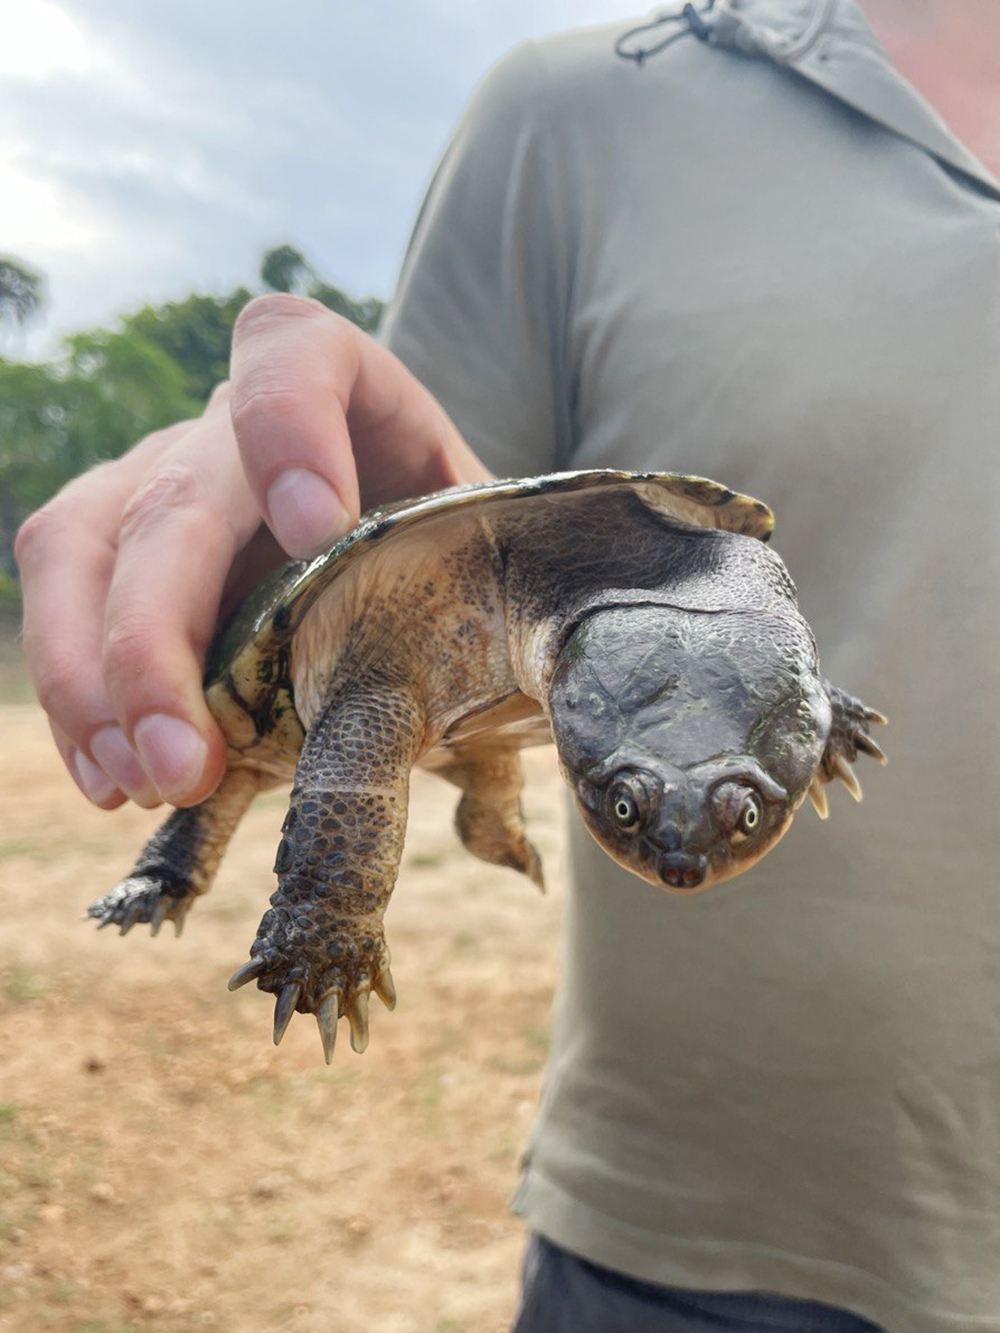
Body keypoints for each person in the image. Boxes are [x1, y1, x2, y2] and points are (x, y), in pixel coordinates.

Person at [15, 1, 1000, 1329]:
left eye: (718, 814)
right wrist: (253, 485)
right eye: (640, 807)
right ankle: (199, 867)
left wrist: (797, 727)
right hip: (710, 1250)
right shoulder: (579, 117)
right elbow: (392, 461)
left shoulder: (750, 625)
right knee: (296, 743)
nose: (684, 857)